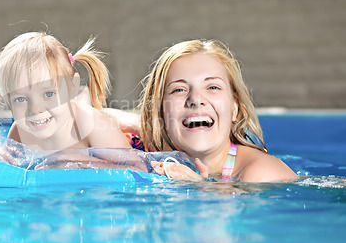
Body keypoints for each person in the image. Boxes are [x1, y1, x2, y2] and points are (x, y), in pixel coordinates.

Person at [113, 39, 297, 182]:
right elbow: (96, 117)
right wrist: (144, 126)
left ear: (235, 109)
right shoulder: (163, 156)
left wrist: (200, 190)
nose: (196, 99)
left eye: (213, 87)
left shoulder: (261, 174)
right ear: (160, 112)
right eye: (179, 89)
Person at [0, 32, 148, 170]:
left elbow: (139, 168)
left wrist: (82, 164)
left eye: (49, 94)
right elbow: (11, 171)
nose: (35, 109)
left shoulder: (91, 125)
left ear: (72, 87)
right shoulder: (20, 131)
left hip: (126, 145)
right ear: (7, 100)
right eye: (21, 99)